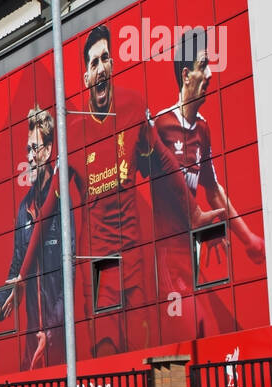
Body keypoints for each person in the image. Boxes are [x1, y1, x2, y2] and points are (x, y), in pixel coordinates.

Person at [14, 24, 224, 356]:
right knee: (110, 358)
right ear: (86, 77)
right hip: (99, 271)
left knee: (144, 359)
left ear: (112, 67)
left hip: (136, 262)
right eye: (93, 62)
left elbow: (167, 165)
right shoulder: (74, 136)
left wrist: (194, 212)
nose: (100, 67)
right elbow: (46, 213)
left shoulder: (132, 108)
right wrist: (23, 275)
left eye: (105, 59)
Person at [152, 27, 266, 332]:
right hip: (164, 263)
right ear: (186, 74)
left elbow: (213, 190)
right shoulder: (159, 126)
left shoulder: (203, 130)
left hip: (191, 259)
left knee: (202, 335)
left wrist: (249, 239)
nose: (211, 74)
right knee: (194, 328)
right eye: (204, 66)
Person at [0, 106, 72, 369]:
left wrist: (53, 329)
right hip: (34, 339)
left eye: (35, 149)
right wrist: (0, 300)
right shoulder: (24, 209)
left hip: (61, 337)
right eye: (28, 150)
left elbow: (72, 270)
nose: (31, 157)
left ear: (48, 150)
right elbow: (17, 265)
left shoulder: (62, 197)